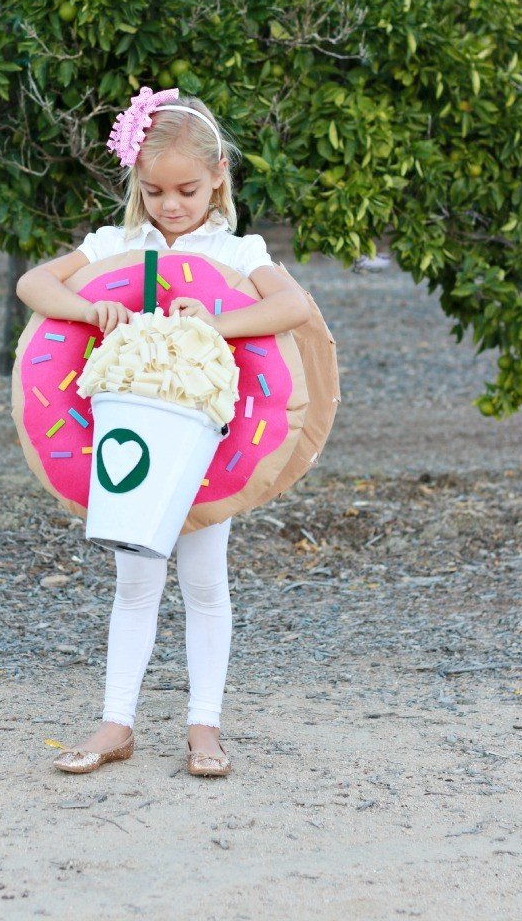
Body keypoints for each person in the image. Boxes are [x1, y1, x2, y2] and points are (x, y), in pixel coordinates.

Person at [16, 86, 310, 776]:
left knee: (206, 581)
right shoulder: (114, 245)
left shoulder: (239, 253)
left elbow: (292, 305)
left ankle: (203, 726)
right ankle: (117, 721)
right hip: (131, 440)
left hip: (209, 441)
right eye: (153, 192)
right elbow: (34, 284)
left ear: (218, 179)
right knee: (136, 579)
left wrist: (211, 319)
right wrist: (92, 310)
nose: (170, 206)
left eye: (186, 190)